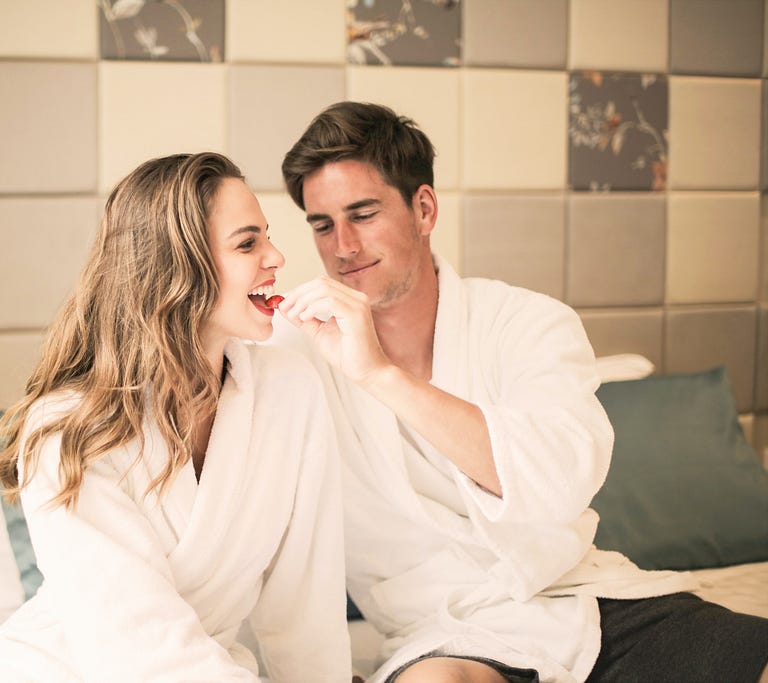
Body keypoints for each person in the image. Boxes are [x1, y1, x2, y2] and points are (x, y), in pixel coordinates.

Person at [272, 102, 768, 683]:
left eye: (363, 214)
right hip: (442, 634)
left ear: (424, 208)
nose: (344, 246)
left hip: (590, 601)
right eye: (322, 224)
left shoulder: (529, 322)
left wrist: (380, 375)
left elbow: (553, 481)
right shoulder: (297, 353)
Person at [0, 152, 352, 682]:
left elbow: (306, 601)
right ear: (176, 266)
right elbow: (139, 644)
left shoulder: (291, 391)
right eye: (247, 243)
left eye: (267, 236)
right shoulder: (66, 429)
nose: (277, 256)